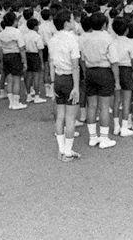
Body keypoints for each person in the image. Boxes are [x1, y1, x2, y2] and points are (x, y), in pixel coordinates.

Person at [78, 12, 117, 149]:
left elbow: (81, 59)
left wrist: (85, 72)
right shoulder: (108, 38)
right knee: (104, 107)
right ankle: (104, 138)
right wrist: (116, 80)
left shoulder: (84, 39)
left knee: (92, 105)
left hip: (90, 71)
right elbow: (114, 61)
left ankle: (92, 137)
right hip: (104, 71)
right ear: (104, 24)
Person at [48, 9, 82, 162]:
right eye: (73, 19)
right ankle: (67, 152)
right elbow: (75, 66)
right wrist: (76, 87)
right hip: (69, 79)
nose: (75, 22)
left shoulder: (52, 39)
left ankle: (61, 149)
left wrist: (53, 82)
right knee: (70, 117)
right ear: (67, 22)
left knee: (60, 116)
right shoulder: (72, 39)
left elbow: (50, 62)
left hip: (58, 79)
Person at [108, 18, 133, 137]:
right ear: (127, 30)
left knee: (116, 100)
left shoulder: (112, 42)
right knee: (126, 100)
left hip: (114, 70)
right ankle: (124, 127)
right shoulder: (130, 43)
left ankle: (116, 126)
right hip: (127, 70)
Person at [0, 11, 27, 110]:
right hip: (15, 56)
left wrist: (2, 60)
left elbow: (0, 48)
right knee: (17, 80)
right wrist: (24, 61)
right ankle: (16, 102)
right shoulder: (16, 32)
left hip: (6, 56)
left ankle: (11, 102)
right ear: (14, 21)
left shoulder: (1, 33)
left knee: (9, 80)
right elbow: (22, 48)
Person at [22, 18, 47, 104]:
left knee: (28, 76)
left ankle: (28, 95)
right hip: (35, 56)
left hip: (27, 55)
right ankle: (36, 96)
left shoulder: (24, 35)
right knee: (36, 76)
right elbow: (40, 50)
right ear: (35, 26)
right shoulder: (37, 36)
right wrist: (42, 62)